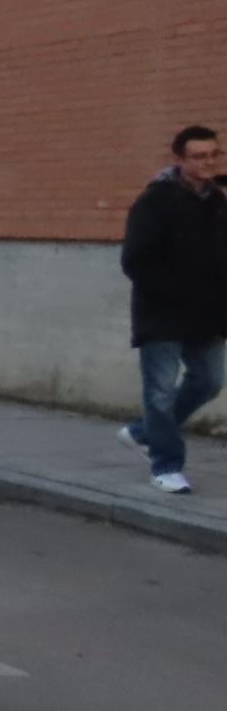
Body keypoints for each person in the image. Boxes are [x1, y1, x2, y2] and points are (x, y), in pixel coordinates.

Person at [120, 124, 226, 495]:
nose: (208, 162)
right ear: (179, 160)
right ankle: (166, 465)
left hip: (208, 315)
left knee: (210, 380)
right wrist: (178, 293)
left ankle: (143, 432)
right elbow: (136, 261)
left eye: (215, 154)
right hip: (162, 313)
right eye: (199, 156)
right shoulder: (155, 202)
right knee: (160, 392)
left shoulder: (218, 203)